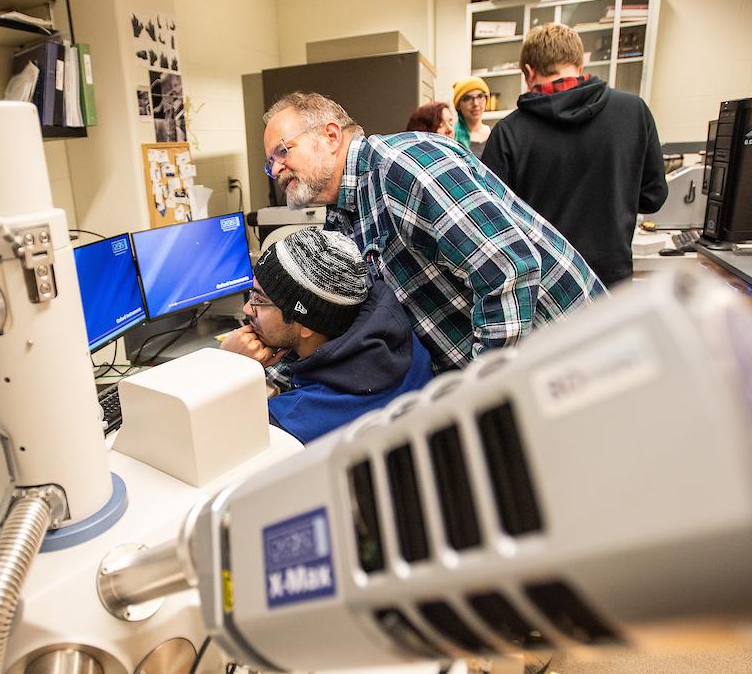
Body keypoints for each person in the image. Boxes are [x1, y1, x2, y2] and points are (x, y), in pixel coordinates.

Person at [261, 91, 604, 375]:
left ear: (331, 136)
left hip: (570, 357)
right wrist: (262, 364)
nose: (275, 169)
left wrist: (484, 391)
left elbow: (508, 271)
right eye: (269, 162)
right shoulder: (343, 216)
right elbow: (340, 320)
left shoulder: (402, 167)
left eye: (282, 151)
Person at [481, 23, 667, 287]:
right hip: (610, 284)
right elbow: (653, 197)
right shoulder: (634, 112)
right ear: (580, 66)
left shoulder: (509, 132)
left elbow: (491, 221)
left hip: (545, 291)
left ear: (529, 72)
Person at [219, 228, 432, 444]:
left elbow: (215, 442)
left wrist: (229, 368)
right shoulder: (406, 345)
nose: (247, 308)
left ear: (306, 325)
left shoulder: (292, 420)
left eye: (259, 300)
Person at [451, 76, 492, 157]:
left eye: (480, 96)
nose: (476, 103)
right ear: (458, 105)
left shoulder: (495, 135)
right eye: (468, 98)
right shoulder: (452, 138)